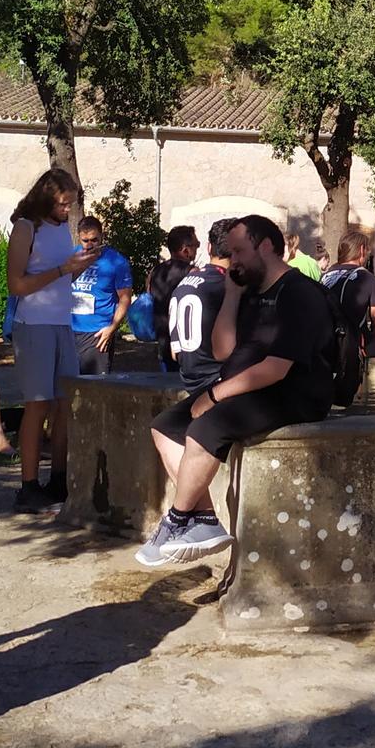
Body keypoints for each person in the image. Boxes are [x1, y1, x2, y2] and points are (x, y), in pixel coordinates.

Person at [136, 216, 336, 567]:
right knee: (165, 425)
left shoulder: (298, 292)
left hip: (296, 391)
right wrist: (231, 296)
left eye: (240, 251)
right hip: (253, 385)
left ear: (266, 247)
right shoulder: (252, 292)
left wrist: (214, 395)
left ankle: (176, 519)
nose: (234, 260)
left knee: (206, 426)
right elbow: (222, 351)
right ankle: (204, 520)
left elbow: (277, 367)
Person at [5, 169, 99, 513]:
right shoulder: (26, 227)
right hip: (34, 324)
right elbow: (17, 285)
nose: (67, 210)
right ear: (47, 197)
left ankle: (59, 478)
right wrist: (62, 270)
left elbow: (62, 276)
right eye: (63, 203)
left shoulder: (61, 230)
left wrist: (78, 266)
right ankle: (28, 485)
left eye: (70, 204)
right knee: (38, 404)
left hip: (62, 322)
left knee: (64, 404)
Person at [167, 218, 238, 397]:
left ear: (209, 248)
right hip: (217, 380)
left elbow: (175, 353)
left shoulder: (185, 282)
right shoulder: (228, 286)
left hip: (188, 377)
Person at [322, 230, 375, 406]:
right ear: (362, 250)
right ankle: (371, 401)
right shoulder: (366, 277)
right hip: (351, 342)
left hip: (323, 342)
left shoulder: (325, 276)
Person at [69, 214, 134, 376]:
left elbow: (125, 299)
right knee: (67, 385)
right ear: (79, 237)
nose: (90, 245)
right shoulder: (72, 256)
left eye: (94, 240)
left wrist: (112, 328)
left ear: (102, 237)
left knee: (93, 386)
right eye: (85, 240)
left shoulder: (117, 262)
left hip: (97, 333)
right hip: (69, 330)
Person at [146, 226, 198, 363]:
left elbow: (149, 296)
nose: (197, 249)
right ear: (185, 249)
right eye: (196, 245)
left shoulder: (155, 271)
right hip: (185, 339)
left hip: (162, 335)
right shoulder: (193, 272)